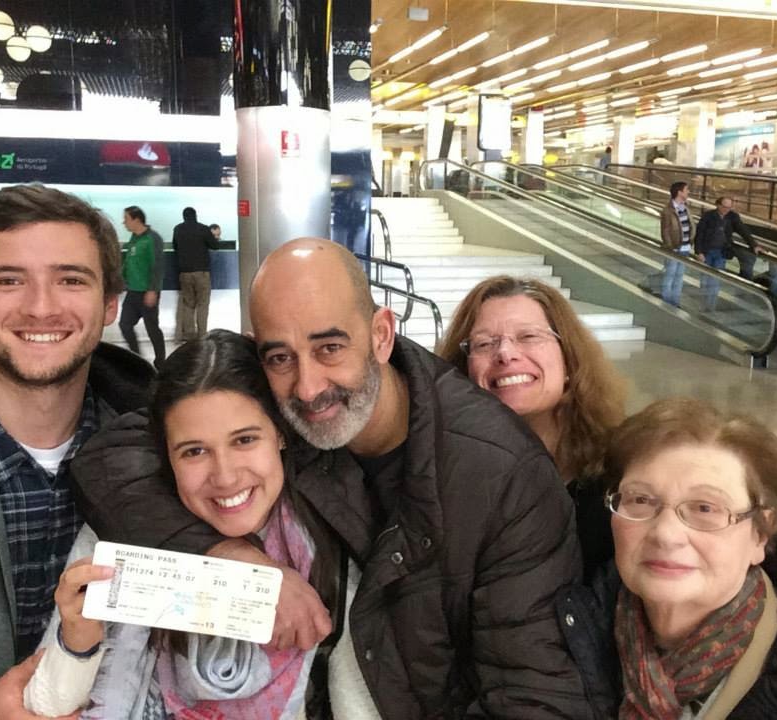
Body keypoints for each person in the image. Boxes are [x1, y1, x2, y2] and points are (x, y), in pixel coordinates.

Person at [73, 238, 593, 718]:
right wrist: (233, 558)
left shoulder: (503, 473)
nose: (307, 386)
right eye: (280, 357)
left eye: (330, 348)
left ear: (381, 334)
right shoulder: (273, 407)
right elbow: (112, 458)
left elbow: (534, 692)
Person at [0, 184, 154, 719]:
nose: (41, 307)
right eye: (9, 280)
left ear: (111, 303)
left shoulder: (160, 452)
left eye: (70, 279)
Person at [24, 330, 338, 718]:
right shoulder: (122, 533)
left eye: (244, 440)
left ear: (280, 434)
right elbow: (44, 704)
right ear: (165, 456)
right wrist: (78, 640)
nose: (225, 477)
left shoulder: (327, 543)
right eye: (194, 451)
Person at [557, 398, 777, 719]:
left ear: (760, 534)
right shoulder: (570, 626)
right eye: (641, 499)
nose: (666, 534)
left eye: (705, 508)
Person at [437, 276, 626, 580]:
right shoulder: (441, 472)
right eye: (484, 343)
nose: (505, 353)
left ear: (569, 359)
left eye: (528, 336)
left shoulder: (622, 472)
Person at [120, 205, 167, 369]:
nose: (123, 223)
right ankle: (136, 357)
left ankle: (161, 361)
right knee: (125, 324)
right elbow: (127, 263)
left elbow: (158, 266)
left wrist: (153, 289)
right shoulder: (133, 239)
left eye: (126, 219)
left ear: (136, 219)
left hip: (148, 292)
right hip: (132, 291)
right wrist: (120, 281)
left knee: (152, 328)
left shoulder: (153, 239)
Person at [694, 196, 760, 311]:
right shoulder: (708, 216)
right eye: (724, 207)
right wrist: (698, 251)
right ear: (718, 205)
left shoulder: (732, 217)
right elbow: (699, 234)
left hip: (721, 252)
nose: (726, 210)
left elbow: (743, 230)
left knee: (716, 280)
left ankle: (710, 307)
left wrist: (754, 245)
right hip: (707, 251)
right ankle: (703, 304)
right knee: (705, 280)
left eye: (729, 207)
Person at [172, 207, 222, 342]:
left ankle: (189, 336)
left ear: (184, 217)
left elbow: (175, 246)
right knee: (202, 304)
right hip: (201, 272)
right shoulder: (203, 229)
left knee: (188, 305)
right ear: (195, 216)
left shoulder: (178, 229)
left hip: (184, 273)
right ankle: (202, 336)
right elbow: (215, 246)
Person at [659, 181, 693, 308]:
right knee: (670, 275)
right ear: (679, 192)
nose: (688, 192)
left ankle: (675, 301)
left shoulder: (685, 207)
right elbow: (665, 230)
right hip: (674, 249)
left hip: (685, 247)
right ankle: (666, 301)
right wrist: (670, 246)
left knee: (679, 277)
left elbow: (689, 225)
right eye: (686, 190)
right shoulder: (668, 210)